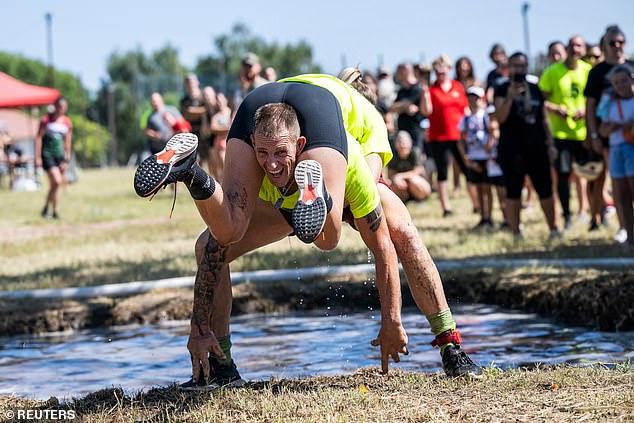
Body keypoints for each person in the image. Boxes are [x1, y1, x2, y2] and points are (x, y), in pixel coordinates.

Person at [134, 74, 482, 389]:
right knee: (374, 233)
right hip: (308, 137)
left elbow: (210, 253)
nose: (271, 163)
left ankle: (194, 173)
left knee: (221, 236)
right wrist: (391, 320)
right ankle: (451, 346)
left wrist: (199, 329)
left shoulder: (279, 133)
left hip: (256, 105)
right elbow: (383, 244)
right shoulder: (357, 131)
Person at [494, 52, 560, 239]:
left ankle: (554, 229)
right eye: (515, 65)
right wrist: (510, 98)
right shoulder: (501, 88)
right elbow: (500, 118)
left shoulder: (535, 87)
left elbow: (544, 118)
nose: (519, 69)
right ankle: (516, 233)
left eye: (522, 65)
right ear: (509, 67)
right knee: (513, 190)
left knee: (545, 188)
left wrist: (551, 144)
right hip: (512, 149)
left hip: (537, 147)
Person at [585, 25, 634, 241]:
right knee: (618, 183)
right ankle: (625, 227)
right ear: (604, 45)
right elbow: (590, 106)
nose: (617, 47)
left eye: (620, 42)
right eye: (612, 43)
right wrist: (594, 134)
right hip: (610, 140)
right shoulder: (597, 72)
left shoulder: (632, 66)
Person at [539, 36, 592, 230]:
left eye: (579, 45)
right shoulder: (552, 72)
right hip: (560, 134)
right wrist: (555, 108)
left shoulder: (588, 71)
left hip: (584, 133)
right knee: (563, 176)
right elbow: (541, 101)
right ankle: (567, 215)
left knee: (589, 174)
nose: (575, 49)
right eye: (572, 45)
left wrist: (585, 112)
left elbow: (596, 100)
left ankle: (591, 213)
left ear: (584, 49)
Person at [420, 54, 474, 217]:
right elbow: (426, 111)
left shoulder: (457, 86)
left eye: (444, 67)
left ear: (449, 69)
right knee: (442, 172)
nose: (441, 70)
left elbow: (466, 109)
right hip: (438, 137)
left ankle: (476, 203)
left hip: (458, 136)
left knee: (467, 170)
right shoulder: (431, 89)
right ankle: (446, 207)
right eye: (438, 68)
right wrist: (424, 93)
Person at [458, 86, 505, 228]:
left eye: (476, 98)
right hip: (473, 156)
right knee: (477, 188)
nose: (473, 101)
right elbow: (460, 139)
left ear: (481, 99)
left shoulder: (487, 115)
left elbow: (494, 131)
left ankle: (490, 216)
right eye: (470, 98)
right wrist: (465, 157)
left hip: (487, 157)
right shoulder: (465, 118)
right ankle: (483, 217)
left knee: (487, 188)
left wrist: (489, 145)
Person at [598, 65, 634, 245]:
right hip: (615, 150)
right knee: (621, 195)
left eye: (624, 81)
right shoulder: (609, 103)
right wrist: (613, 127)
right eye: (616, 82)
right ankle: (629, 234)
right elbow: (603, 130)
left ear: (631, 80)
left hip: (632, 149)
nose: (621, 85)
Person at [35, 97, 73, 219]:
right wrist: (37, 156)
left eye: (64, 107)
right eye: (61, 107)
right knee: (56, 181)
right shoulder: (46, 120)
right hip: (47, 154)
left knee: (54, 185)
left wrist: (66, 159)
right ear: (56, 106)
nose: (63, 109)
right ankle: (51, 209)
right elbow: (39, 138)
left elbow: (68, 142)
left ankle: (51, 209)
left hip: (60, 156)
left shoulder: (67, 122)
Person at [386, 130, 431, 202]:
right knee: (388, 184)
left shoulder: (415, 152)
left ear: (410, 143)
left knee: (414, 181)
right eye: (400, 142)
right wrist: (396, 179)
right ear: (396, 144)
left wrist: (400, 176)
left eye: (405, 142)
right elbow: (390, 175)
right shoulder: (393, 155)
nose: (403, 145)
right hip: (402, 184)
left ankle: (419, 198)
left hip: (417, 182)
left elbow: (418, 171)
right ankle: (403, 199)